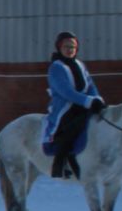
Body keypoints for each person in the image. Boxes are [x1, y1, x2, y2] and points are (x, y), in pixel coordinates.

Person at [43, 31, 105, 179]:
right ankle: (61, 163)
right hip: (65, 106)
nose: (70, 49)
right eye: (66, 46)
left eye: (73, 46)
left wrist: (97, 98)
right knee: (72, 126)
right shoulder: (56, 67)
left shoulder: (80, 64)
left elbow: (90, 85)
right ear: (59, 47)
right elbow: (66, 91)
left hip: (83, 104)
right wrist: (88, 101)